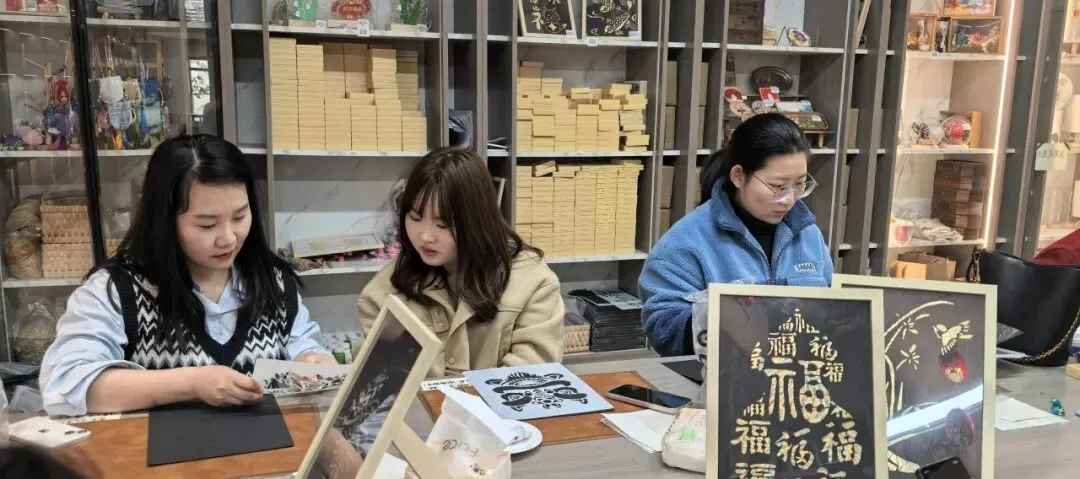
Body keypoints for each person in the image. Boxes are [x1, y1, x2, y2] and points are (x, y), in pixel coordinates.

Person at [39, 135, 336, 417]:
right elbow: (65, 385)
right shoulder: (117, 290)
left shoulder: (272, 281)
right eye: (207, 225)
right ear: (165, 220)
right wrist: (192, 383)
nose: (228, 238)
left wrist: (312, 361)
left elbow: (303, 346)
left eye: (239, 216)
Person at [356, 147, 564, 377]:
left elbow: (532, 378)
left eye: (443, 224)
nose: (425, 236)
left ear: (477, 220)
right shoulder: (385, 291)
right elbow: (386, 384)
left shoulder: (532, 282)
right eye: (415, 217)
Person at [639, 113, 833, 356]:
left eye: (799, 184)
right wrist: (713, 320)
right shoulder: (685, 242)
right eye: (778, 186)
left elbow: (830, 305)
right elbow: (662, 329)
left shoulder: (809, 235)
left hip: (800, 372)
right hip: (718, 375)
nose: (789, 199)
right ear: (739, 176)